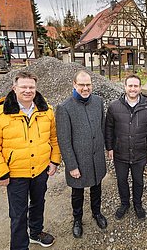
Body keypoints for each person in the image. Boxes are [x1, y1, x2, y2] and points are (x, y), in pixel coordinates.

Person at [0, 71, 61, 249]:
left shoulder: (46, 111)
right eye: (23, 87)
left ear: (36, 88)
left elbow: (54, 138)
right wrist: (1, 173)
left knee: (38, 203)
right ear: (14, 88)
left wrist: (54, 161)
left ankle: (35, 233)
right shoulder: (0, 115)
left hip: (40, 170)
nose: (27, 90)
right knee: (18, 214)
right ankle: (19, 246)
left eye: (31, 87)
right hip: (16, 174)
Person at [55, 70, 107, 239]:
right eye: (82, 85)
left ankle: (96, 213)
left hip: (96, 157)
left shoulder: (98, 102)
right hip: (79, 159)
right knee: (77, 193)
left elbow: (102, 127)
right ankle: (77, 219)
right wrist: (72, 166)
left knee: (96, 187)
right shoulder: (64, 108)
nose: (85, 88)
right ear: (74, 85)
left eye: (88, 85)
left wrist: (106, 148)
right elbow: (64, 140)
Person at [105, 74, 147, 220]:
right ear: (125, 87)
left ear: (140, 88)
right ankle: (124, 204)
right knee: (121, 180)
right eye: (130, 86)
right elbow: (109, 129)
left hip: (139, 153)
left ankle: (137, 204)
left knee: (138, 181)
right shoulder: (114, 107)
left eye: (136, 86)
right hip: (120, 153)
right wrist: (109, 147)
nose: (133, 89)